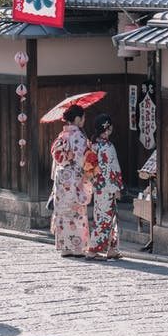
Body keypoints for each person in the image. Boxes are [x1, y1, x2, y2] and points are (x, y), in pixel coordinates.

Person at [50, 104, 93, 257]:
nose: (84, 120)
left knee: (63, 213)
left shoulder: (62, 136)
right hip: (75, 179)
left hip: (62, 180)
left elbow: (57, 160)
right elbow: (84, 159)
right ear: (77, 118)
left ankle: (65, 247)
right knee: (77, 213)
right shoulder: (79, 137)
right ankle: (77, 248)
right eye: (83, 117)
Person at [86, 114, 124, 261]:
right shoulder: (107, 147)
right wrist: (116, 189)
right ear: (107, 129)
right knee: (104, 219)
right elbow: (111, 169)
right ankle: (94, 250)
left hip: (98, 186)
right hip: (107, 187)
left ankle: (112, 248)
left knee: (107, 217)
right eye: (110, 126)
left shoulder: (93, 145)